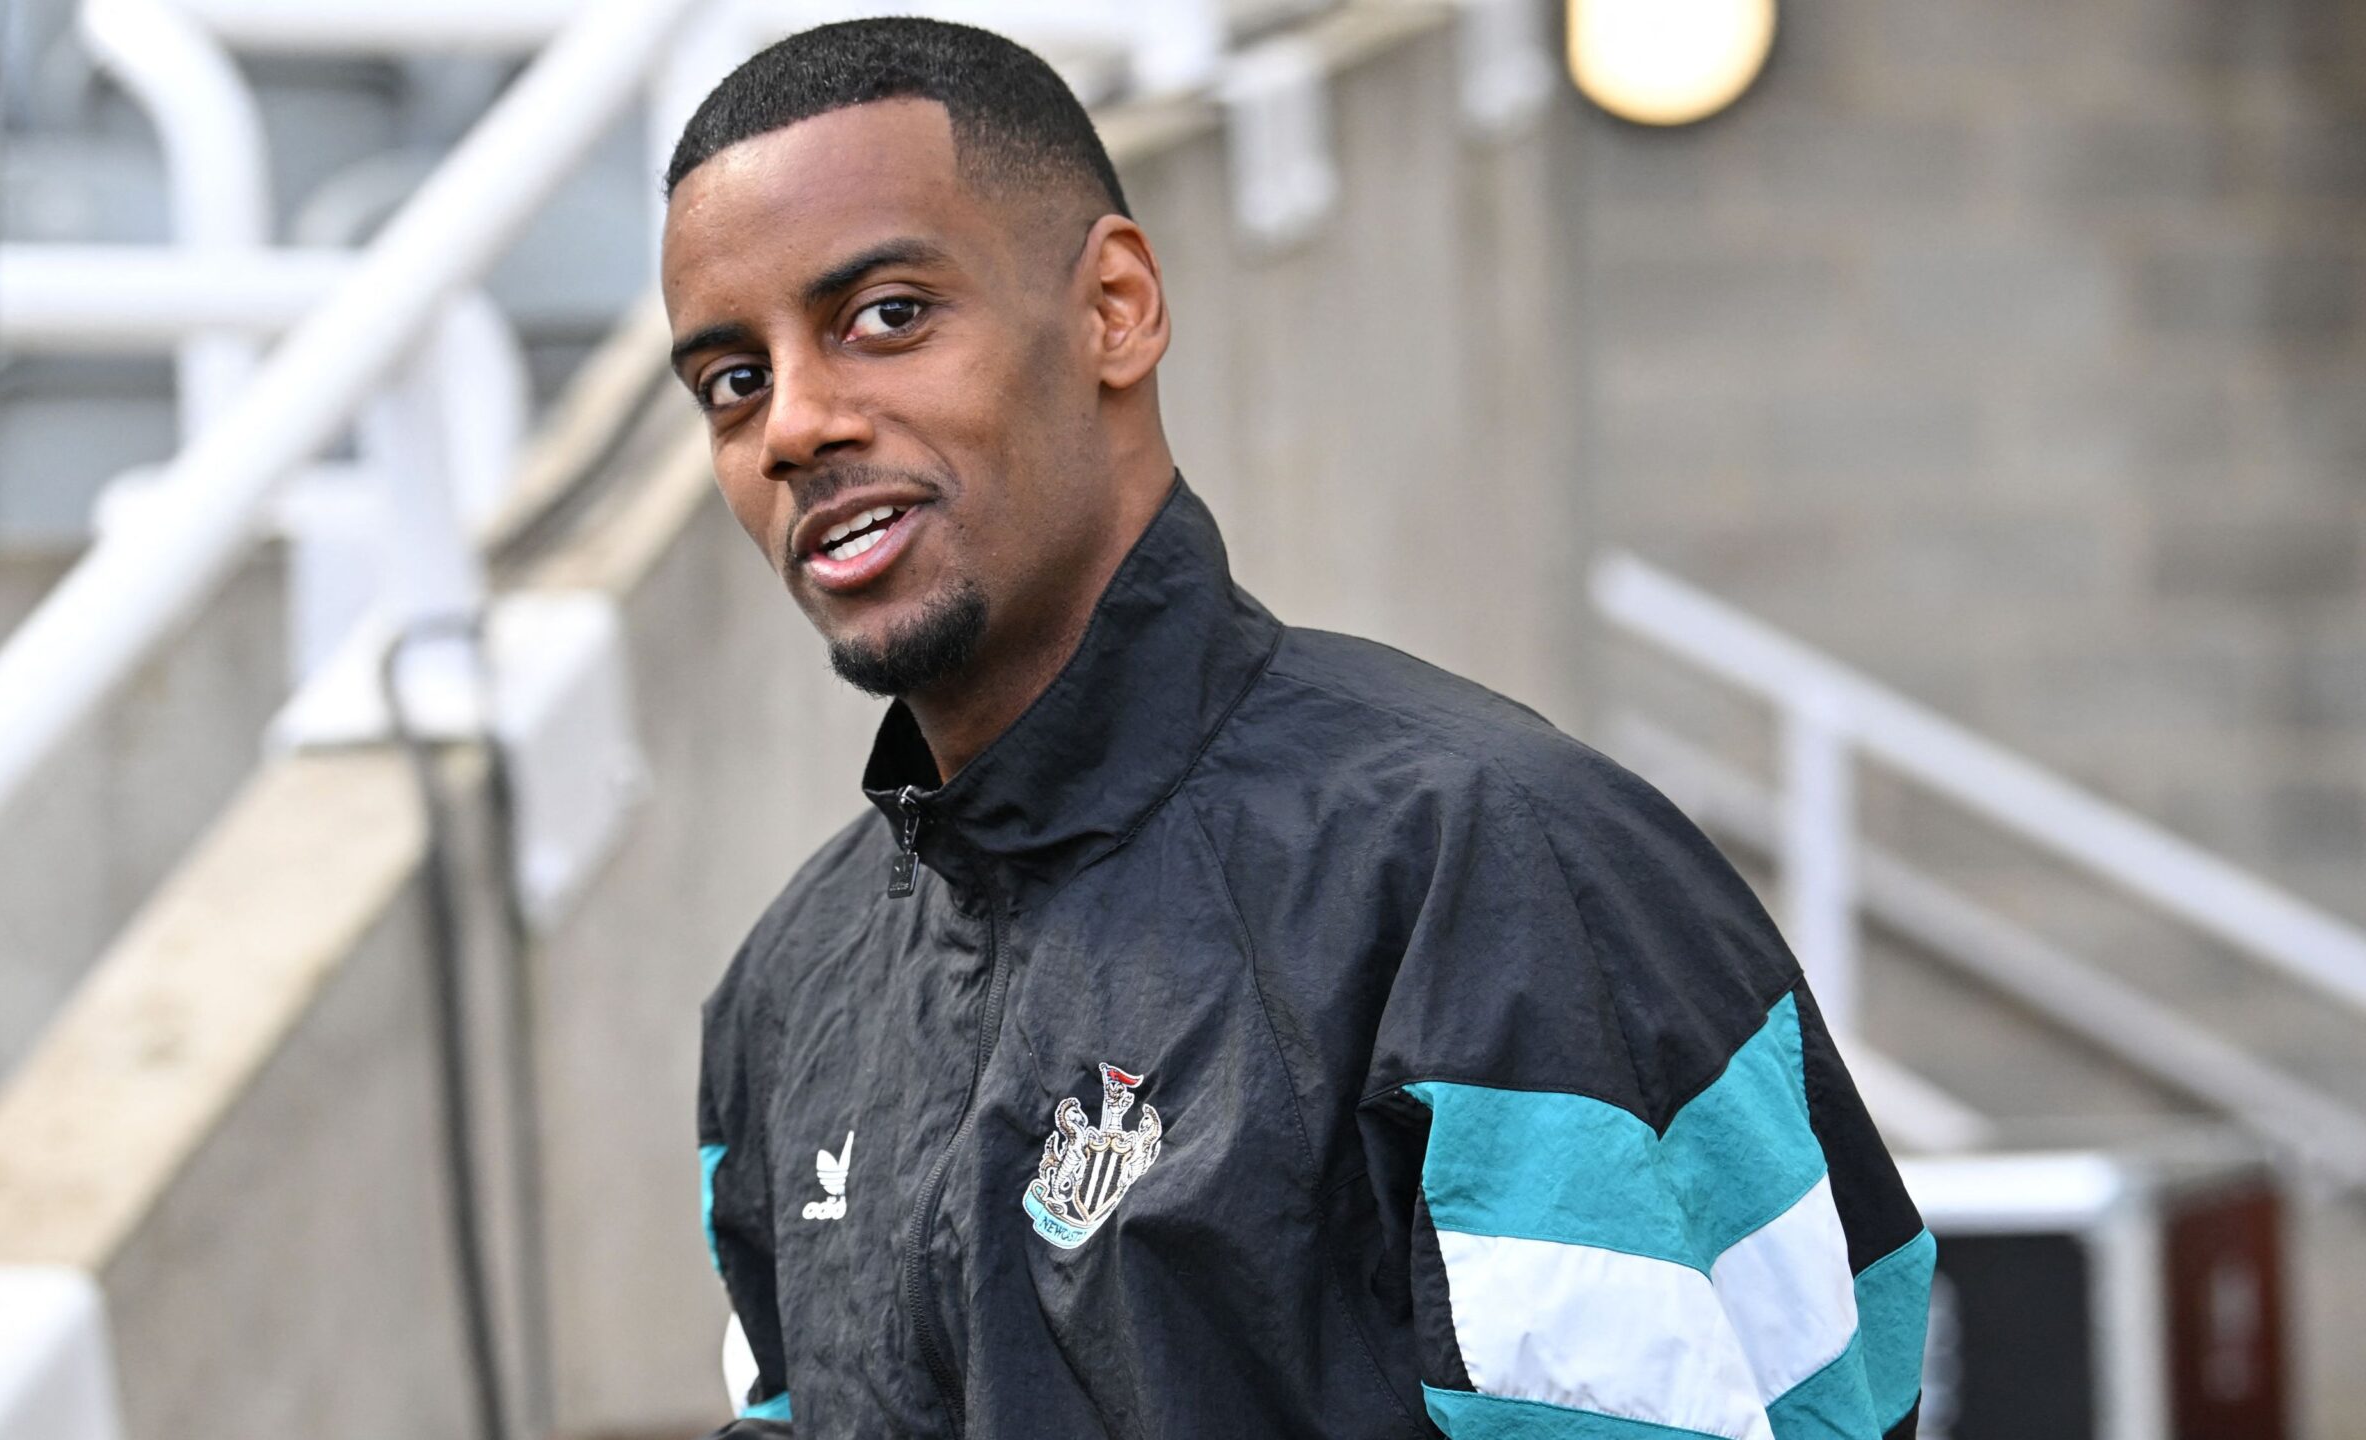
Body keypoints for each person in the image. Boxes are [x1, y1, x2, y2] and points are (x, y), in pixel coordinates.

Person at [666, 18, 1931, 1439]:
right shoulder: (788, 988)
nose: (793, 425)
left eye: (887, 315)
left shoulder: (1488, 865)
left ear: (1115, 309)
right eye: (734, 381)